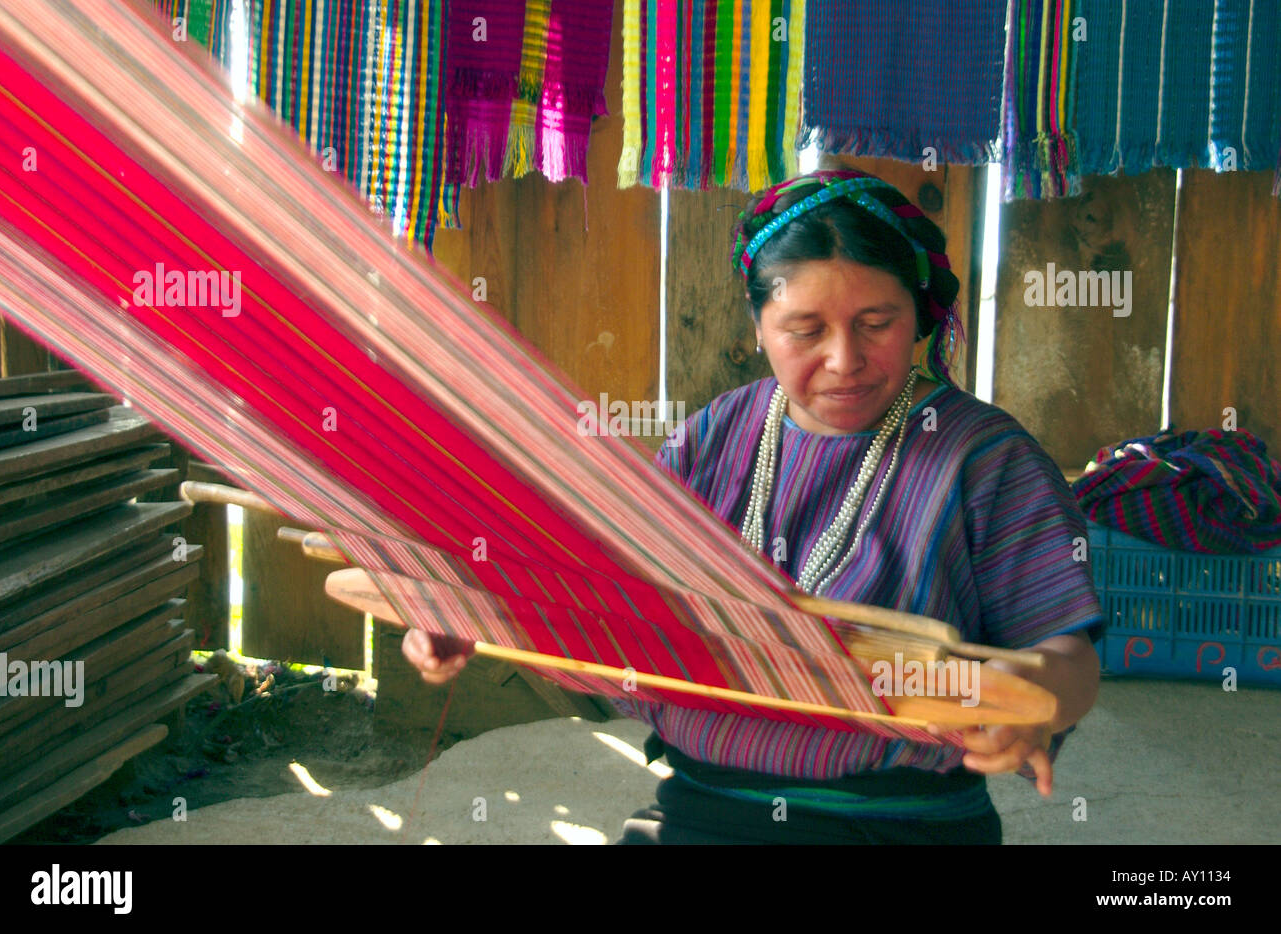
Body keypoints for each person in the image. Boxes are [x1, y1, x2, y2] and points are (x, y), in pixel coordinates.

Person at [403, 168, 1104, 844]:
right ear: (758, 325)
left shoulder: (985, 461)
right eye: (805, 329)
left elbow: (1068, 652)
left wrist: (1034, 700)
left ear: (919, 314)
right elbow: (618, 610)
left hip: (895, 824)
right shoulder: (713, 439)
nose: (843, 359)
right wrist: (481, 617)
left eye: (876, 322)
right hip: (704, 807)